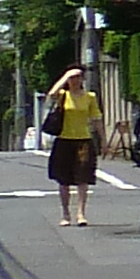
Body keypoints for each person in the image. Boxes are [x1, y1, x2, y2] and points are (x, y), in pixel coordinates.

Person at [44, 66, 104, 226]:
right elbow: (51, 94)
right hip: (64, 140)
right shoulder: (63, 96)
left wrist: (103, 140)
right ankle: (65, 214)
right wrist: (65, 75)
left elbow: (96, 118)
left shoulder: (90, 97)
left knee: (83, 177)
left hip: (83, 140)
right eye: (72, 78)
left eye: (78, 77)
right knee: (63, 179)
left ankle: (81, 213)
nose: (75, 81)